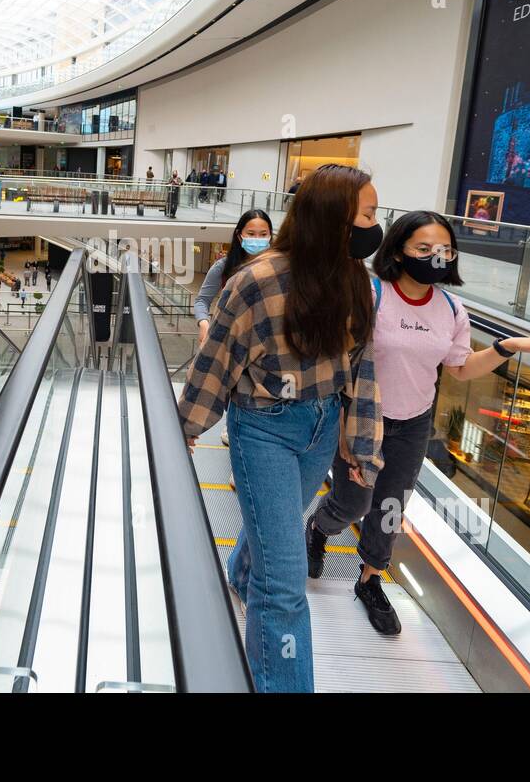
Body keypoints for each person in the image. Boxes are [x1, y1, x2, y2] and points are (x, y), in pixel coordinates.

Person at [304, 210, 530, 634]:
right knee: (354, 502)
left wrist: (509, 346)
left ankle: (370, 579)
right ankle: (320, 526)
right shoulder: (370, 294)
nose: (437, 257)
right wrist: (341, 430)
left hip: (413, 424)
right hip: (362, 417)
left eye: (446, 250)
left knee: (391, 507)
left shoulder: (450, 307)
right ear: (398, 251)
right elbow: (338, 364)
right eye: (425, 249)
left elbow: (462, 367)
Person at [178, 164, 384, 693]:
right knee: (284, 585)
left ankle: (241, 571)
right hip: (265, 430)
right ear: (333, 219)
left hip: (322, 426)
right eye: (366, 214)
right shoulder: (254, 281)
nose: (373, 225)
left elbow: (361, 366)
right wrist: (186, 427)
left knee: (279, 529)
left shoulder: (355, 280)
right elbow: (216, 363)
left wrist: (362, 446)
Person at [194, 209, 274, 453]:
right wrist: (204, 323)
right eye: (251, 233)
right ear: (240, 236)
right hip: (231, 343)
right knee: (235, 391)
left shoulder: (278, 269)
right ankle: (236, 431)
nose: (257, 239)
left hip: (265, 344)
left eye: (263, 234)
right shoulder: (223, 267)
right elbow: (201, 301)